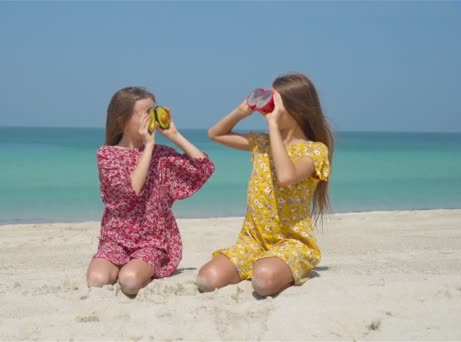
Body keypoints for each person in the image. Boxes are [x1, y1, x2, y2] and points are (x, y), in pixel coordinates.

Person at [196, 73, 333, 297]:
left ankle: (285, 265)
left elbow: (286, 176)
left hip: (292, 242)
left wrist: (272, 125)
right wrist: (242, 112)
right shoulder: (263, 143)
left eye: (275, 101)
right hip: (253, 240)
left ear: (297, 109)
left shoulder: (315, 150)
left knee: (263, 281)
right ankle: (264, 264)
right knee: (206, 279)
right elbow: (215, 134)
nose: (268, 106)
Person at [87, 86, 215, 296]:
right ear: (122, 120)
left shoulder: (161, 155)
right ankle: (121, 264)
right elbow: (130, 191)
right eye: (146, 113)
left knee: (129, 281)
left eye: (154, 111)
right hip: (116, 238)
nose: (152, 118)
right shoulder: (107, 155)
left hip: (152, 240)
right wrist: (148, 147)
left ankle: (139, 266)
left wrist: (174, 135)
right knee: (96, 281)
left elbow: (204, 168)